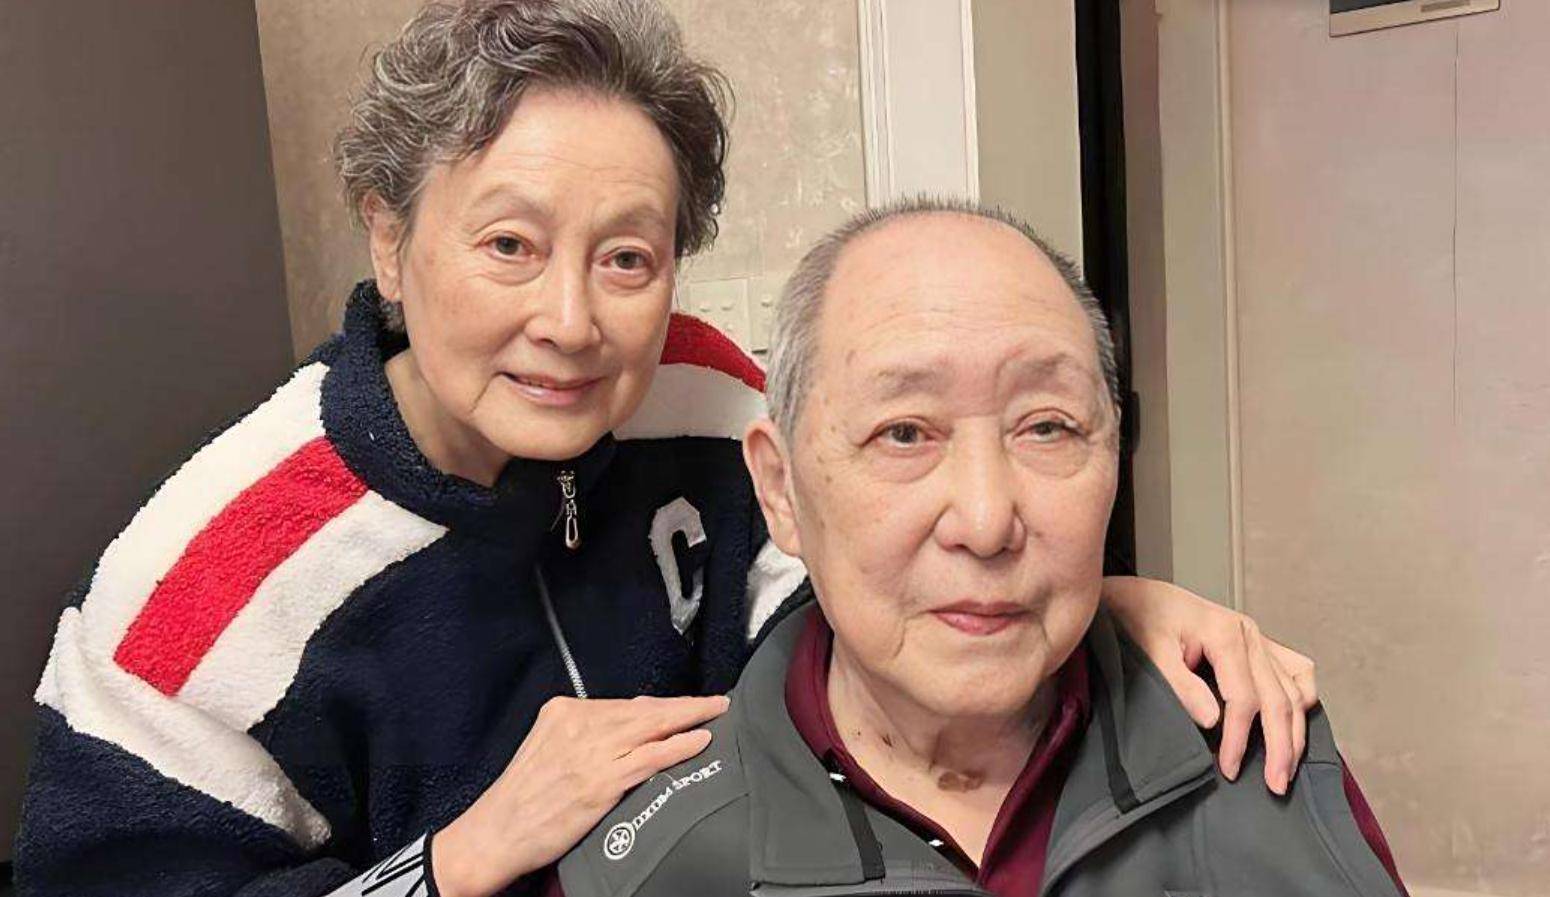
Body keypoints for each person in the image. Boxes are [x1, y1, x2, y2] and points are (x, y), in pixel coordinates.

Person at [16, 3, 1319, 897]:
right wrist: (457, 861)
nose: (571, 322)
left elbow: (859, 595)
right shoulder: (195, 597)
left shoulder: (700, 396)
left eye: (627, 257)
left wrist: (1098, 607)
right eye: (509, 245)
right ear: (389, 240)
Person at [558, 199, 1408, 897]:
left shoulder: (1261, 744)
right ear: (780, 490)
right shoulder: (650, 860)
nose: (986, 518)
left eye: (1047, 427)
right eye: (903, 432)